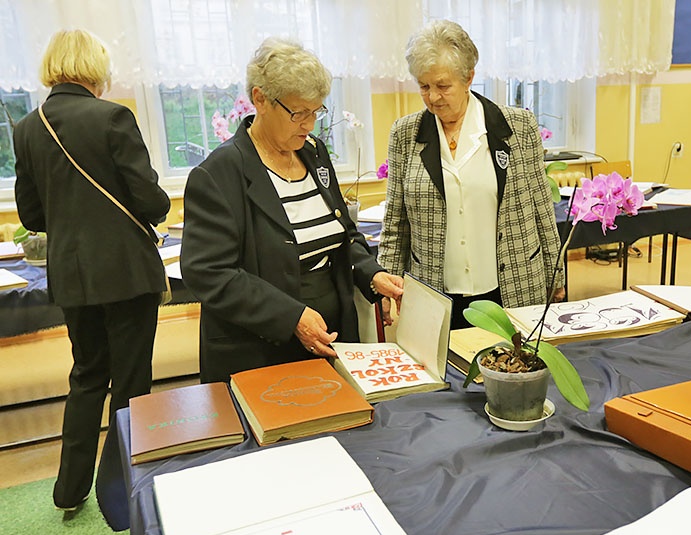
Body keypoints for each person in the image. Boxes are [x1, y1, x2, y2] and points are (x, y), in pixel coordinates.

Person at [14, 30, 170, 529]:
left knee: (86, 377)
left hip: (72, 276)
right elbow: (150, 201)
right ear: (93, 67)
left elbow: (31, 213)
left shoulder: (27, 127)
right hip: (125, 271)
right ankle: (125, 486)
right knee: (131, 381)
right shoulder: (113, 117)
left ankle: (69, 489)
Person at [181, 38, 403, 384]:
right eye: (299, 113)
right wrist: (291, 317)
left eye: (317, 111)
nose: (309, 124)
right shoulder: (219, 173)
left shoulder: (312, 153)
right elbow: (207, 273)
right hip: (259, 348)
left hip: (331, 335)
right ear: (260, 99)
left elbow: (343, 232)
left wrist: (370, 273)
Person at [378, 20, 563, 330]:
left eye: (442, 85)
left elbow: (542, 208)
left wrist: (555, 275)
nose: (433, 97)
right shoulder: (405, 134)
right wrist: (387, 281)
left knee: (513, 370)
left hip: (512, 283)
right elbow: (396, 221)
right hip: (436, 290)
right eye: (424, 86)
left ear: (468, 78)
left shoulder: (517, 127)